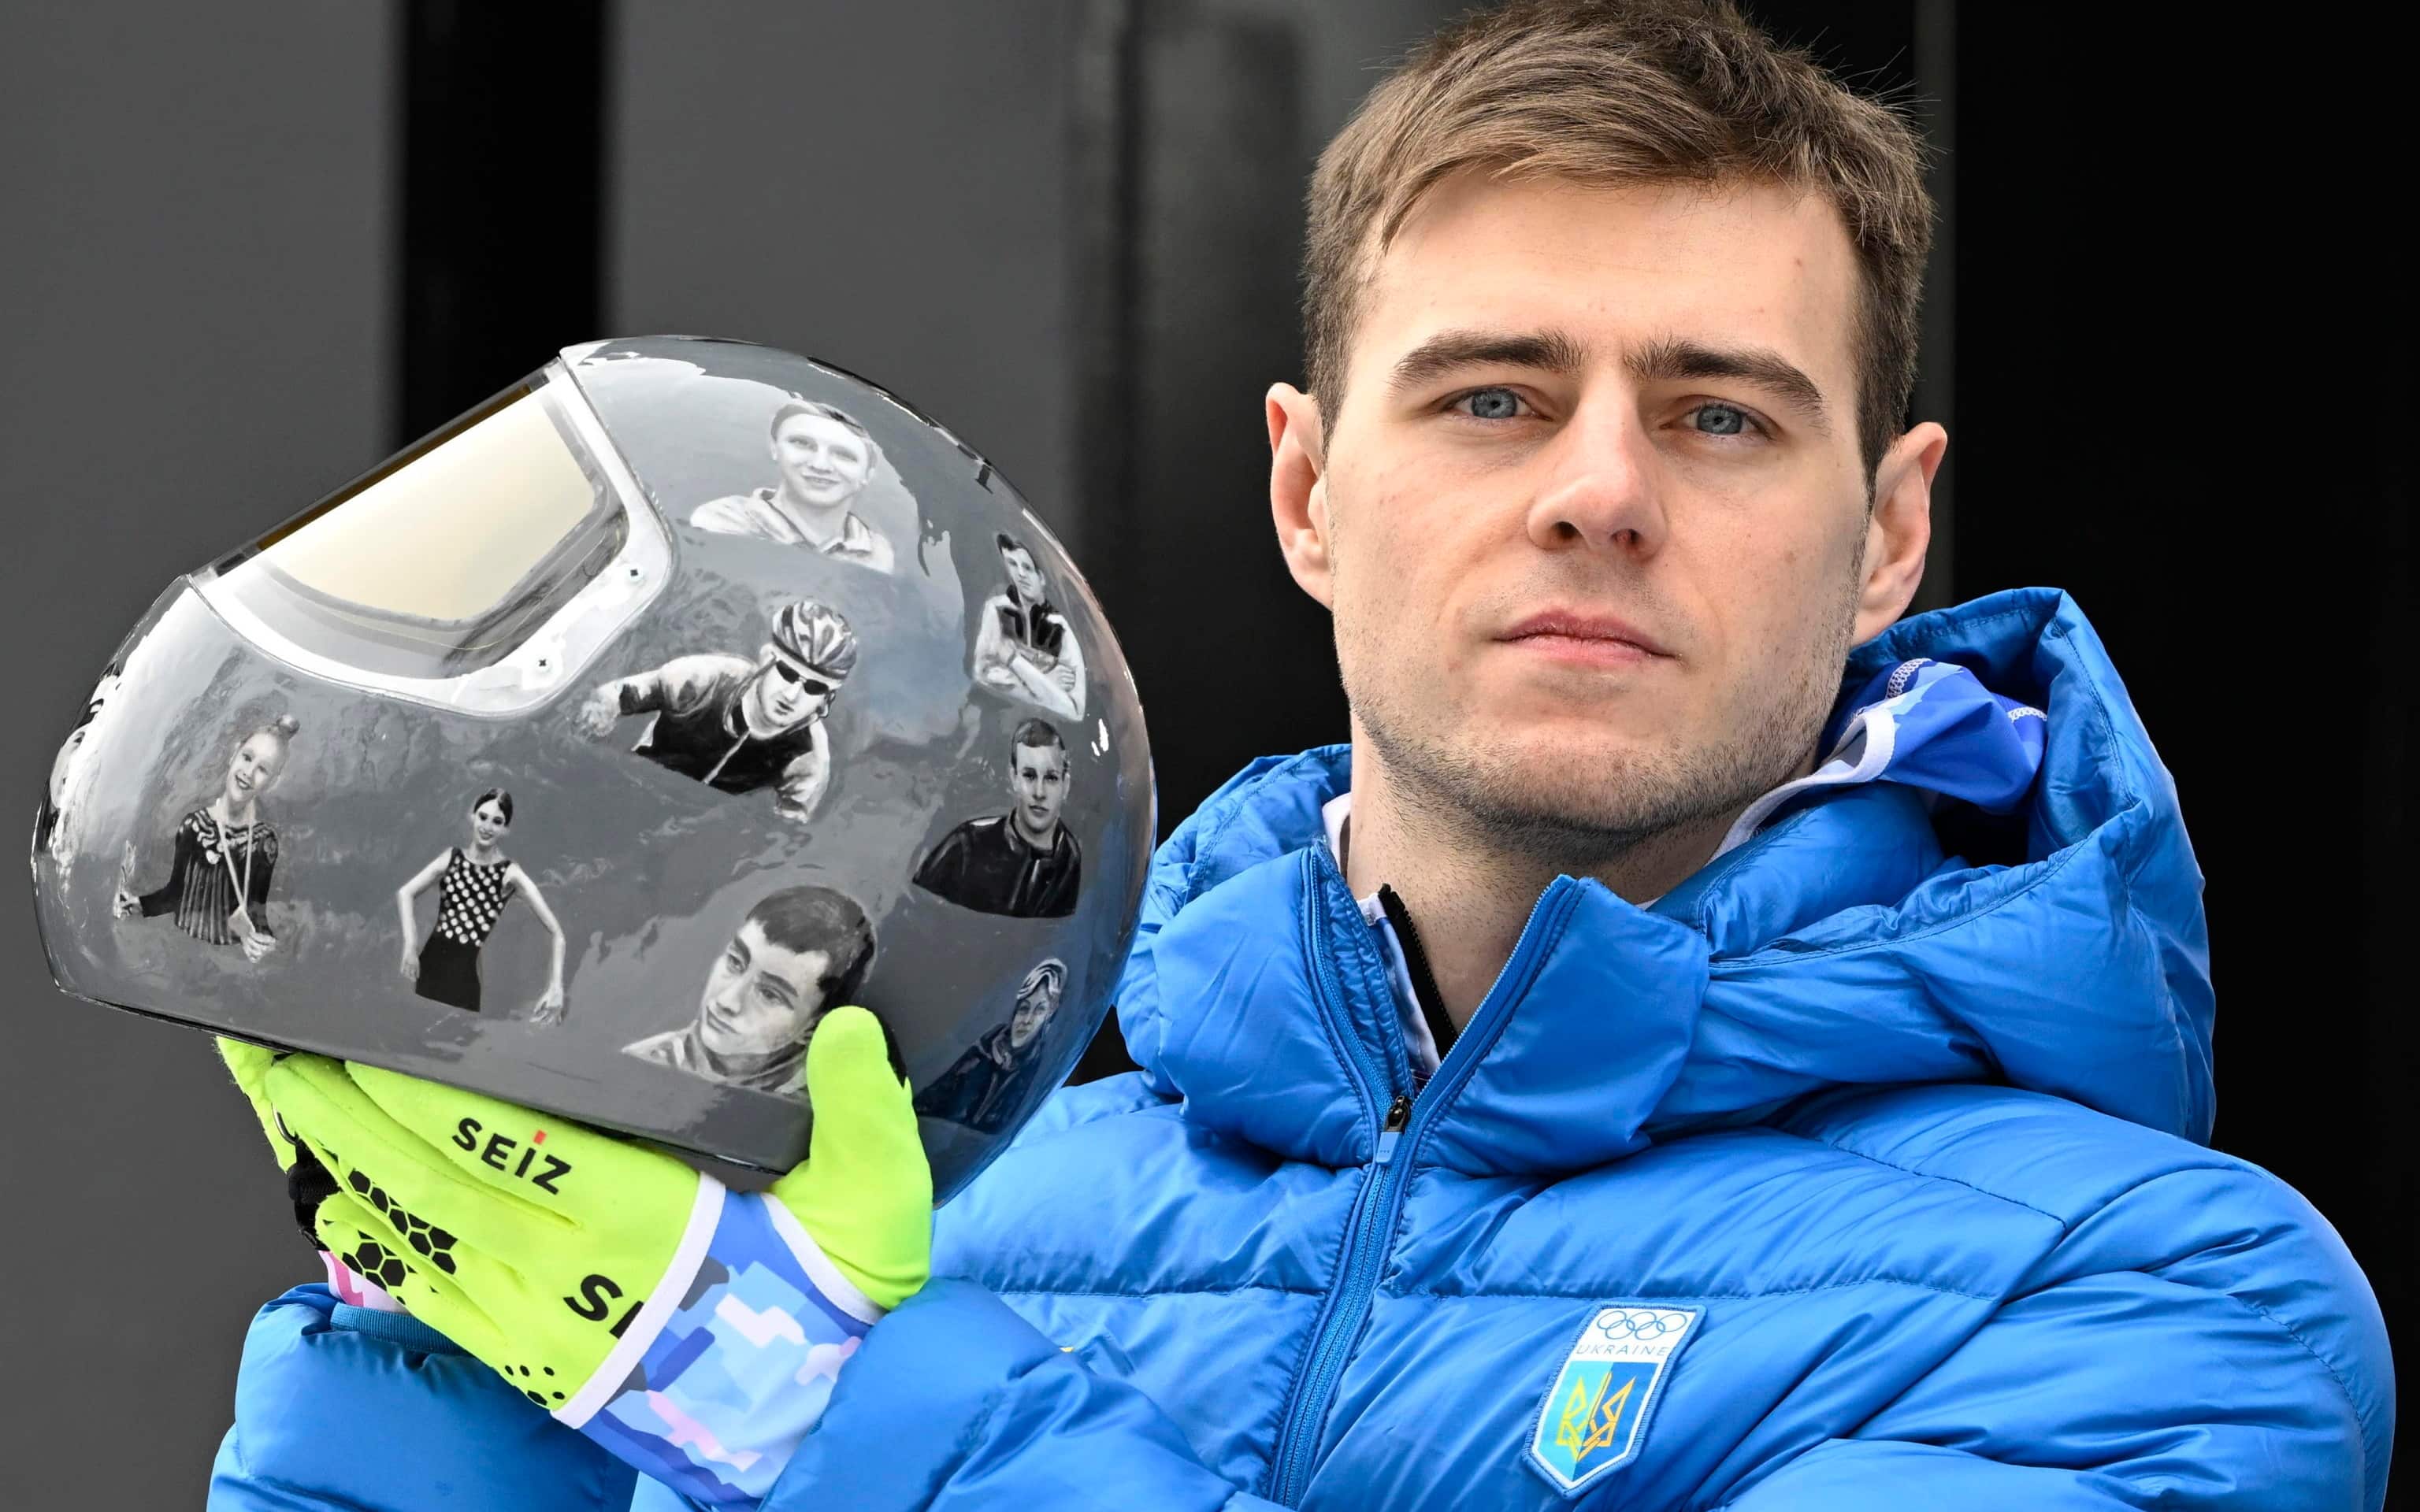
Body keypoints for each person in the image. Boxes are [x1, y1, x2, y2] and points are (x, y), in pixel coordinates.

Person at [210, 4, 2392, 1510]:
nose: (1600, 491)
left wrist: (801, 1396)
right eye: (1493, 397)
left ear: (1891, 530)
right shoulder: (941, 1222)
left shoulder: (2160, 1301)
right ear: (1308, 490)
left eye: (1721, 411)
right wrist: (451, 1358)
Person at [576, 599, 856, 821]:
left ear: (826, 700)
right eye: (787, 673)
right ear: (767, 659)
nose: (793, 694)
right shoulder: (704, 679)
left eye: (814, 688)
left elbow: (787, 832)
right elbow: (615, 694)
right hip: (629, 784)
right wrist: (597, 719)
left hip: (694, 831)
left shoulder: (809, 759)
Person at [622, 884, 878, 1097]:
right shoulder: (640, 1065)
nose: (727, 1001)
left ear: (811, 1028)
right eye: (735, 962)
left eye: (770, 994)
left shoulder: (825, 1107)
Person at [113, 713, 297, 965]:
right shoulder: (193, 825)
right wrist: (136, 905)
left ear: (272, 782)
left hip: (226, 962)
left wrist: (263, 943)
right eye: (247, 758)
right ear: (234, 755)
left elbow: (257, 913)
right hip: (178, 953)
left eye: (263, 770)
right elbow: (175, 895)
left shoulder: (263, 843)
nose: (249, 773)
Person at [394, 790, 570, 1020]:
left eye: (497, 822)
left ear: (506, 828)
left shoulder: (510, 874)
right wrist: (410, 945)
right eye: (483, 817)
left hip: (464, 981)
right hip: (428, 970)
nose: (487, 827)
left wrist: (556, 986)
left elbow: (558, 934)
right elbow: (405, 892)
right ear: (473, 816)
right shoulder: (451, 858)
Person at [691, 400, 897, 573]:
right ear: (775, 448)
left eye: (844, 455)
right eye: (802, 444)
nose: (820, 465)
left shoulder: (878, 553)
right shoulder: (725, 519)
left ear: (867, 476)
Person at [911, 718, 1082, 918]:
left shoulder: (1069, 859)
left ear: (1065, 785)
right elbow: (914, 913)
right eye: (1029, 775)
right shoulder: (965, 846)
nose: (1039, 792)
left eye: (1051, 778)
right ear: (1014, 778)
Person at [913, 958, 1066, 1133]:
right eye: (1024, 1009)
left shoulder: (1035, 1066)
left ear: (1049, 1017)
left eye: (1039, 1010)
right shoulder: (982, 1054)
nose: (1027, 1020)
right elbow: (930, 1102)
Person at [970, 532, 1086, 720]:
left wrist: (1013, 661)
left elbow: (1074, 710)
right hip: (998, 717)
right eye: (1013, 564)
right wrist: (1045, 680)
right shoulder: (997, 609)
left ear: (1042, 577)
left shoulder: (1061, 629)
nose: (1020, 574)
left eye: (1027, 567)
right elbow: (982, 672)